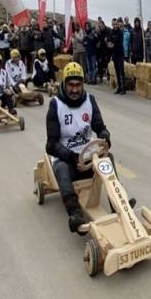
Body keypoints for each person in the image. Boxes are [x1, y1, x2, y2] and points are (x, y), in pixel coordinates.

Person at [46, 62, 113, 234]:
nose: (75, 90)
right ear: (64, 84)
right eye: (71, 85)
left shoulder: (90, 101)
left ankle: (119, 205)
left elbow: (99, 126)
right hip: (68, 159)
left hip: (88, 156)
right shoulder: (56, 105)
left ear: (83, 84)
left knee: (108, 159)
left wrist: (105, 135)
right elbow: (51, 145)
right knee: (60, 168)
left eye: (78, 85)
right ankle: (75, 214)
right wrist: (71, 157)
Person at [109, 17, 126, 94]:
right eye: (113, 24)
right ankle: (119, 87)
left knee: (121, 71)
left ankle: (123, 88)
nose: (114, 25)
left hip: (120, 54)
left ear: (117, 24)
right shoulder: (111, 32)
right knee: (117, 71)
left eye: (115, 24)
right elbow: (109, 40)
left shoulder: (120, 32)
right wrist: (108, 43)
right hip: (114, 54)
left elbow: (120, 43)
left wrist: (113, 45)